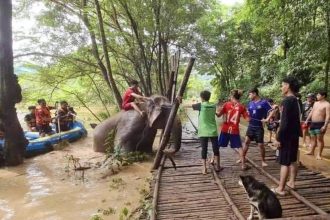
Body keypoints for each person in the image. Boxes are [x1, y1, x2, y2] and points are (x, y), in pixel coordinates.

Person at [272, 77, 301, 196]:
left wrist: (278, 138)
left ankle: (280, 188)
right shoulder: (296, 100)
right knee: (293, 159)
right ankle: (292, 182)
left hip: (287, 136)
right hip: (294, 135)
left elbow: (284, 122)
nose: (281, 87)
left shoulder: (287, 101)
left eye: (282, 85)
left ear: (288, 86)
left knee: (284, 162)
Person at [216, 89, 249, 170]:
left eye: (230, 96)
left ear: (232, 96)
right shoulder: (242, 106)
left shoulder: (226, 104)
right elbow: (248, 119)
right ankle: (243, 165)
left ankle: (214, 160)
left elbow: (218, 115)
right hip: (234, 130)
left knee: (218, 145)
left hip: (225, 129)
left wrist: (215, 111)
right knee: (239, 147)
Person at [189, 90, 220, 174]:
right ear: (209, 97)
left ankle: (204, 169)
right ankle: (217, 166)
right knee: (215, 148)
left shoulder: (200, 105)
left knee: (204, 149)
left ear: (201, 97)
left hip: (203, 131)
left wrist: (178, 100)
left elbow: (190, 106)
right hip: (213, 130)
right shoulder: (213, 105)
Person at [242, 88, 272, 167]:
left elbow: (272, 110)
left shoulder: (264, 102)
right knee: (246, 142)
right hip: (251, 126)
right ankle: (242, 158)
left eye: (250, 94)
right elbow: (248, 113)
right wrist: (247, 117)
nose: (249, 96)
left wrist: (267, 119)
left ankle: (263, 161)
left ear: (255, 94)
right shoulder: (250, 103)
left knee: (260, 145)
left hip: (259, 127)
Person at [304, 91, 330, 160]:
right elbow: (312, 112)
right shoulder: (315, 103)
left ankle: (319, 154)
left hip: (320, 124)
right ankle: (311, 151)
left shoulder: (327, 104)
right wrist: (306, 120)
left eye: (318, 95)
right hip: (313, 123)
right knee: (312, 139)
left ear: (323, 96)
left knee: (319, 139)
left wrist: (325, 125)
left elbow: (328, 116)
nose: (317, 96)